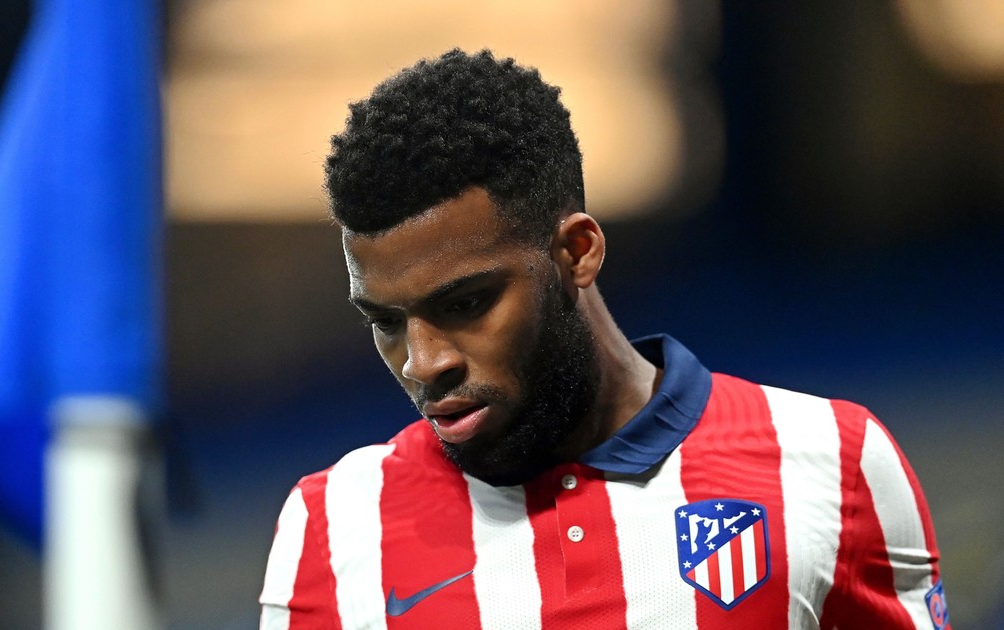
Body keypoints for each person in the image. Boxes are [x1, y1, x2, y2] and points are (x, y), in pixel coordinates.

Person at [259, 49, 949, 630]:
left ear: (577, 252)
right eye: (387, 322)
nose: (423, 362)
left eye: (466, 304)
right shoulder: (333, 529)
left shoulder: (833, 462)